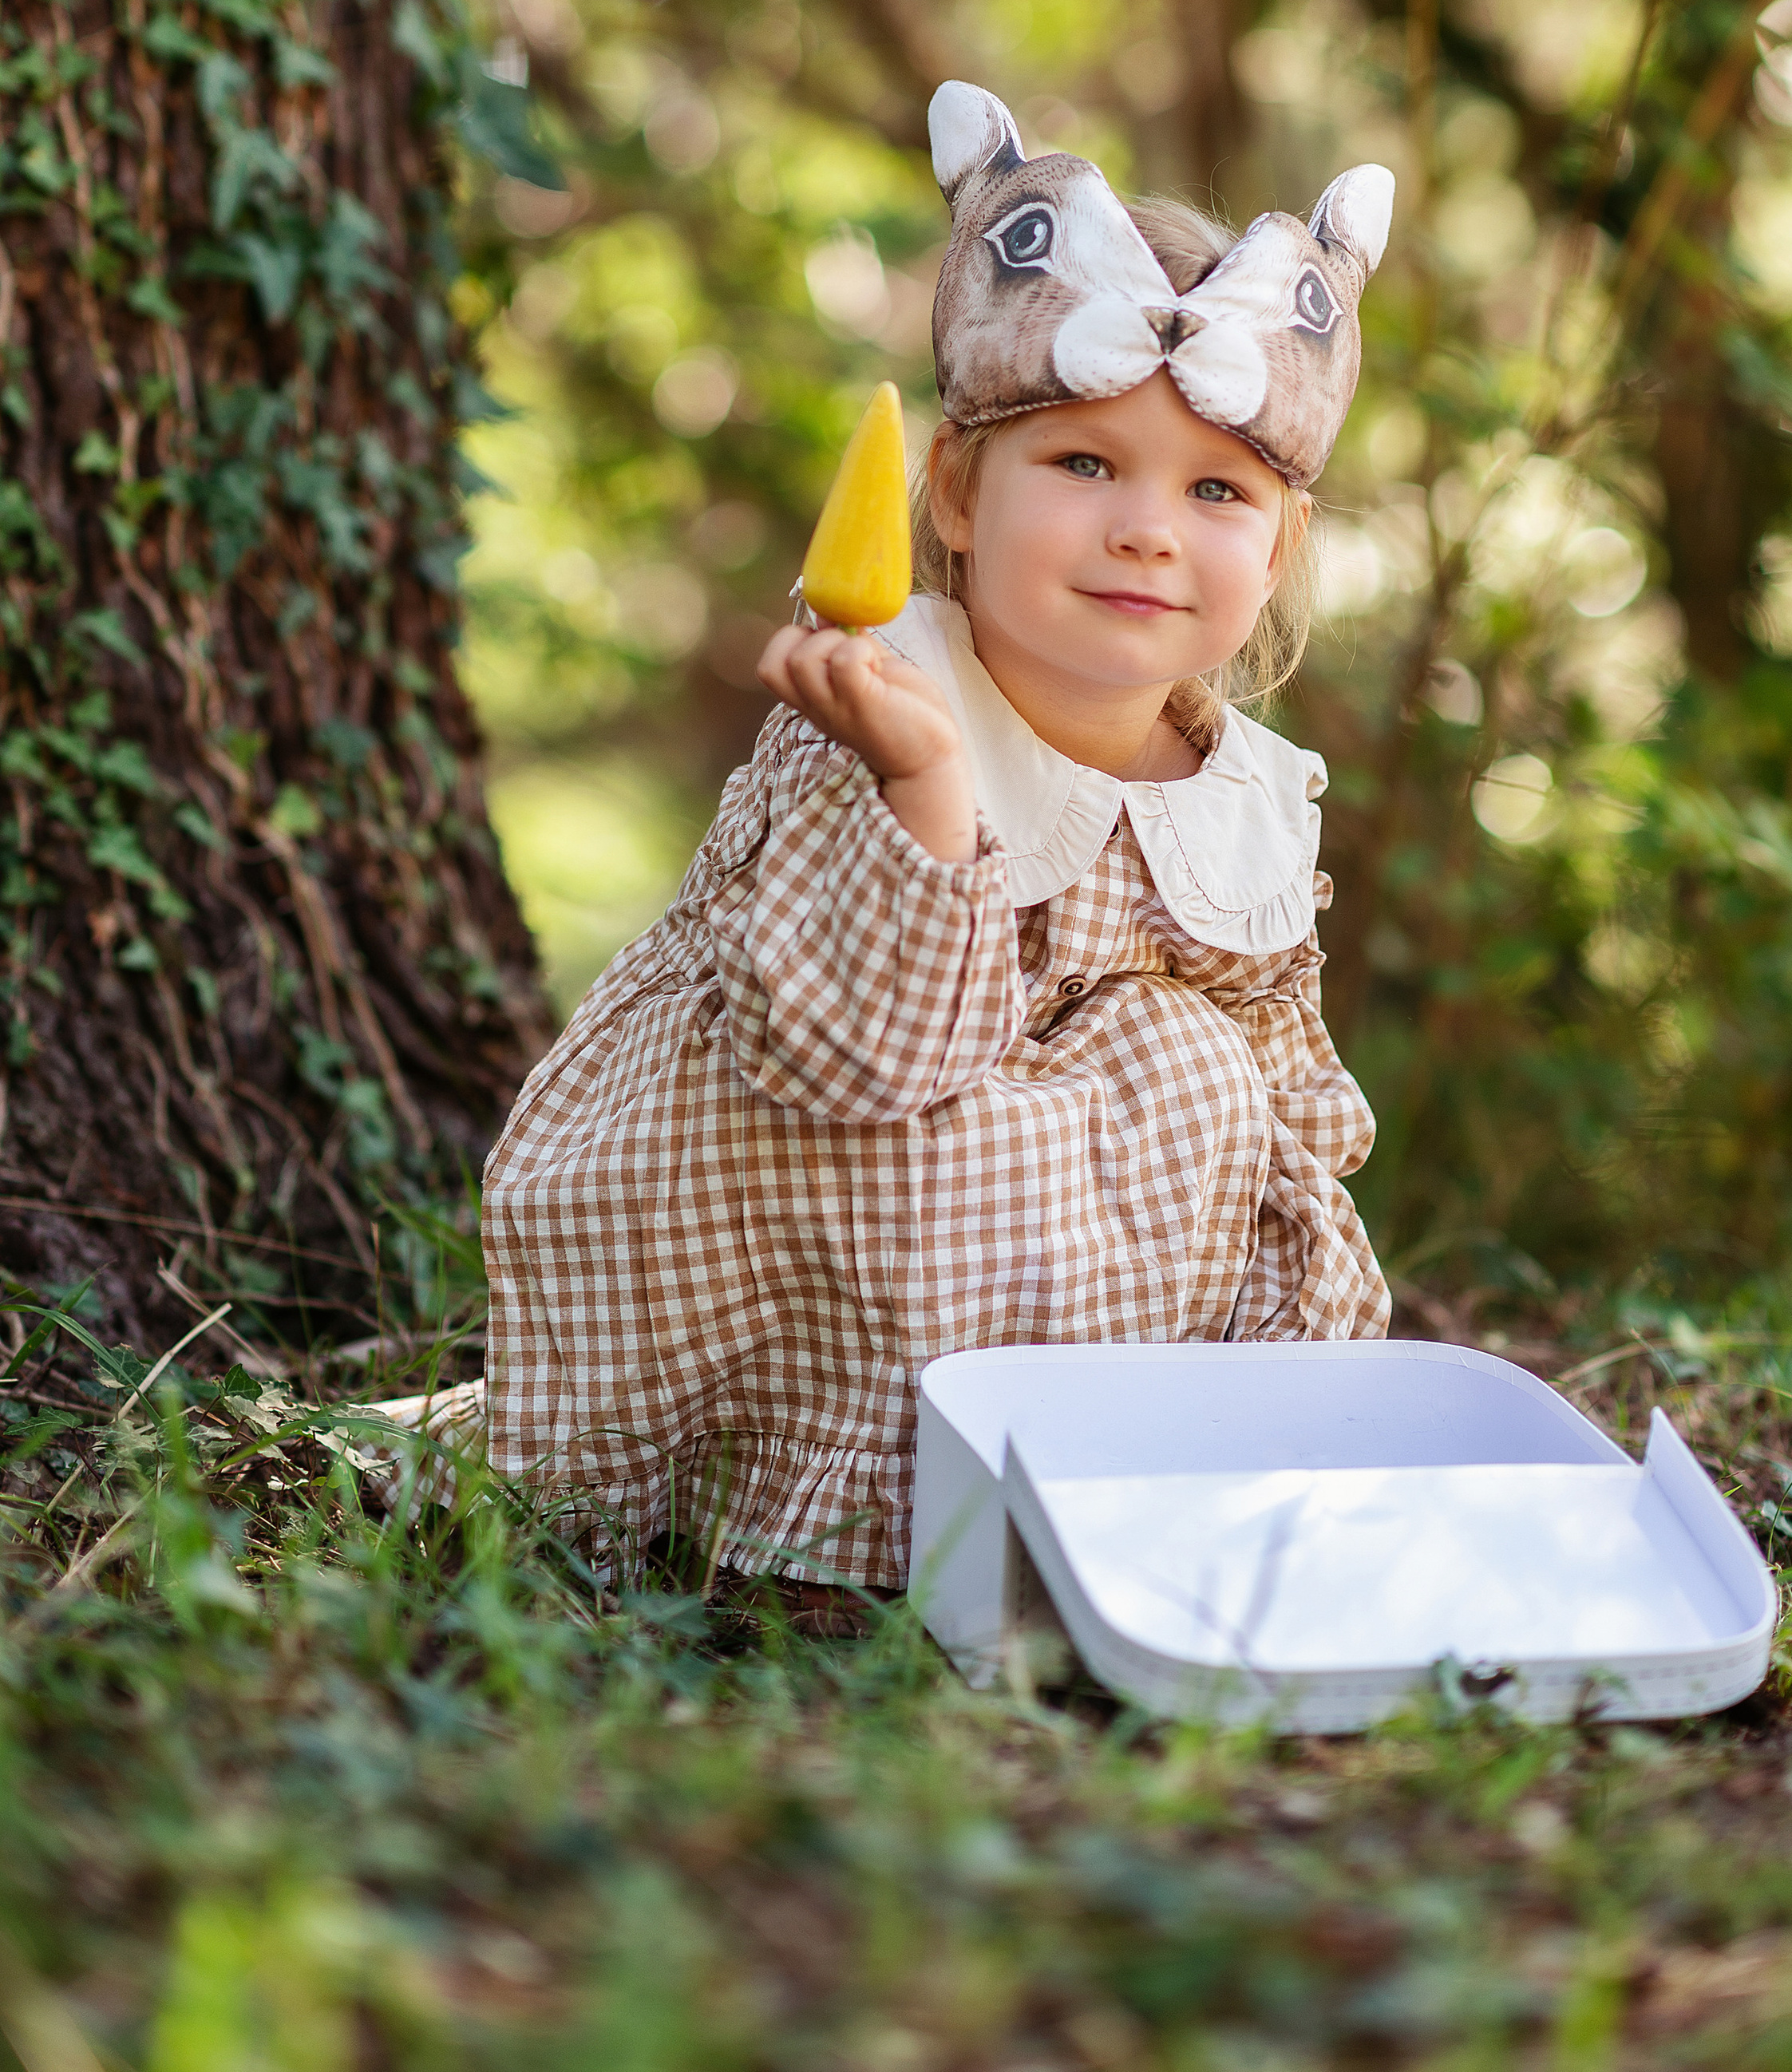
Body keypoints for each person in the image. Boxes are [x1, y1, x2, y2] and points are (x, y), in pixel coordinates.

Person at [480, 81, 1396, 1597]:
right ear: (961, 495)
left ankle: (1099, 1511)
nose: (1148, 529)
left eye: (1216, 489)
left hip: (1088, 1263)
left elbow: (1287, 1076)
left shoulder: (1246, 791)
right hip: (822, 1166)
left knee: (1198, 1073)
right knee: (981, 1141)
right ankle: (813, 1532)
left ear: (1280, 545)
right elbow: (848, 1063)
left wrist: (1296, 1298)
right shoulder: (889, 702)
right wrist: (922, 785)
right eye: (1086, 464)